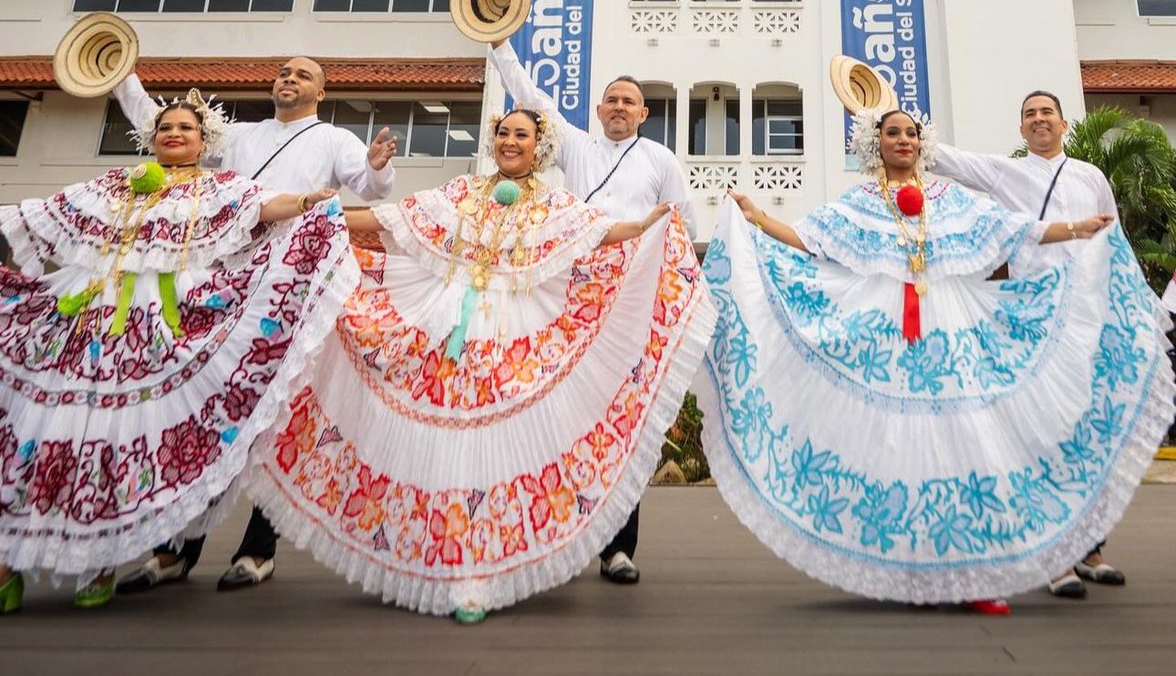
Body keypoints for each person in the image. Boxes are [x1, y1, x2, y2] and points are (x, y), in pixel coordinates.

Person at [243, 107, 716, 621]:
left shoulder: (557, 204)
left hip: (515, 341)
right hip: (447, 336)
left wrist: (646, 226)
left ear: (541, 147)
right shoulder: (461, 192)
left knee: (495, 454)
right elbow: (393, 220)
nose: (511, 141)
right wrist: (327, 214)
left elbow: (599, 234)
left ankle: (482, 575)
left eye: (522, 135)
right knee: (451, 452)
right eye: (504, 133)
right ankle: (451, 565)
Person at [699, 108, 1173, 613]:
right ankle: (908, 568)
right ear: (874, 144)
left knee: (968, 444)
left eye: (911, 133)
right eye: (892, 133)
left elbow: (1012, 230)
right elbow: (808, 238)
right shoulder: (859, 202)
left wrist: (1073, 228)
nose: (903, 140)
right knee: (897, 448)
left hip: (949, 333)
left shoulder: (950, 200)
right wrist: (756, 218)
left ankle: (975, 577)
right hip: (885, 339)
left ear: (922, 144)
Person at [0, 92, 357, 612]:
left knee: (109, 440)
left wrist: (305, 203)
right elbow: (45, 211)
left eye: (186, 128)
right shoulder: (114, 185)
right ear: (153, 137)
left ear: (203, 140)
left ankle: (95, 566)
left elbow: (263, 205)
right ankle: (8, 569)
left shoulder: (218, 188)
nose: (174, 134)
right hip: (82, 321)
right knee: (41, 433)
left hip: (158, 328)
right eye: (165, 127)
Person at [113, 56, 397, 593]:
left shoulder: (334, 139)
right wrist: (121, 74)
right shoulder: (238, 134)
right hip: (222, 282)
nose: (289, 79)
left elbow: (372, 187)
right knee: (206, 412)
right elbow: (157, 123)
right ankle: (175, 551)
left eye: (302, 75)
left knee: (276, 416)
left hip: (293, 284)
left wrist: (378, 165)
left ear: (320, 90)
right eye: (284, 72)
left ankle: (257, 551)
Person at [488, 38, 696, 585]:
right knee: (567, 413)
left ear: (644, 114)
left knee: (621, 420)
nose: (620, 108)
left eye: (630, 101)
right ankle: (559, 537)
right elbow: (528, 95)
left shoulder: (662, 160)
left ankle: (617, 549)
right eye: (612, 100)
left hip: (633, 298)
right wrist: (498, 43)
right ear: (599, 110)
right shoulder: (576, 147)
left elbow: (683, 232)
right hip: (576, 295)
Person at [930, 91, 1125, 598]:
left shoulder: (1091, 177)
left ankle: (1091, 551)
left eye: (1046, 113)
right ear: (1022, 130)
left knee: (1085, 435)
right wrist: (880, 111)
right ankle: (1050, 559)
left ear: (1064, 124)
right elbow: (943, 156)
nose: (1039, 120)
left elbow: (1114, 242)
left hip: (1087, 316)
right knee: (1039, 432)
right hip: (1030, 321)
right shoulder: (1004, 173)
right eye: (1029, 115)